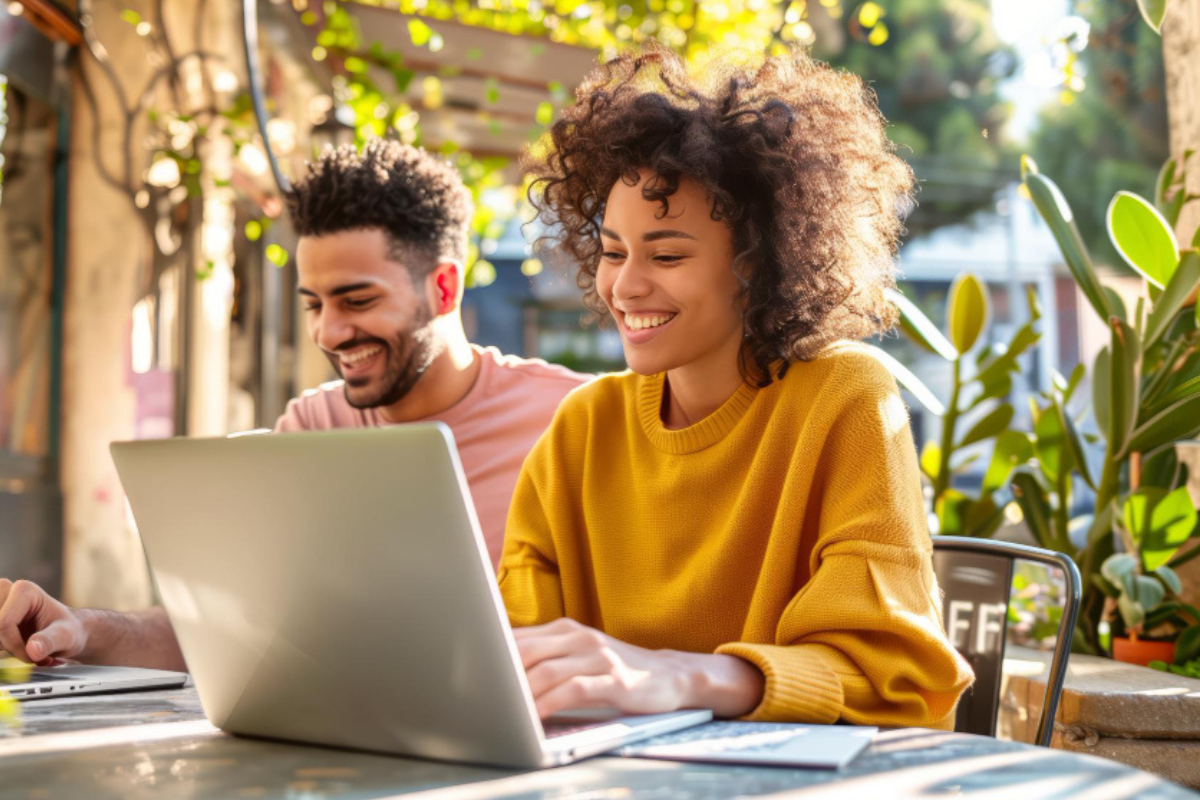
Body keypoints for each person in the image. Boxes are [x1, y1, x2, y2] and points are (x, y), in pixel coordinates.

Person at [498, 45, 974, 727]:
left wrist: (686, 677)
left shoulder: (844, 396)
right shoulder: (583, 427)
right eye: (613, 252)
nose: (625, 286)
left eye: (666, 254)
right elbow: (513, 657)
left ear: (757, 261)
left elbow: (896, 680)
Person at [0, 141, 588, 671]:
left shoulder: (572, 418)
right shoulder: (312, 427)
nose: (329, 332)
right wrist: (83, 628)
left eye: (357, 300)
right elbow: (229, 624)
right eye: (313, 305)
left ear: (443, 289)